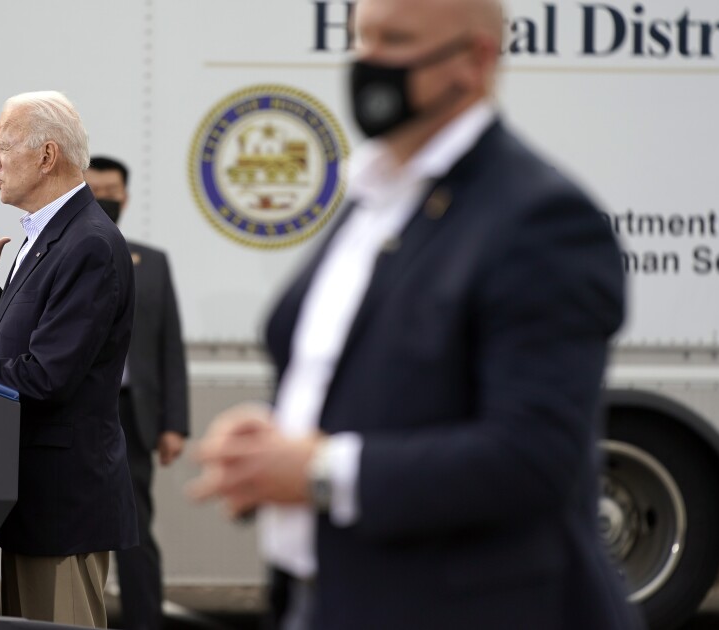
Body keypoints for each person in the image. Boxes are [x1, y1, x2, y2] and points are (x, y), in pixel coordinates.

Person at [190, 0, 644, 628]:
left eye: (395, 40)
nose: (367, 61)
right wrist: (278, 438)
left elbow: (534, 455)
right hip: (329, 597)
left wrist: (317, 471)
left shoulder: (539, 219)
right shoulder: (376, 197)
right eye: (360, 38)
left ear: (474, 61)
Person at [0, 91, 137, 628]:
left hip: (63, 505)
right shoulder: (51, 236)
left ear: (46, 156)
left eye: (3, 147)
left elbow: (46, 379)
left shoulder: (88, 244)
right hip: (33, 502)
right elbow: (27, 350)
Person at [85, 156, 189, 630]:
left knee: (135, 529)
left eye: (112, 190)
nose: (105, 198)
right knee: (81, 527)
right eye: (96, 189)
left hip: (134, 412)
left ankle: (145, 622)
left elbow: (170, 344)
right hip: (82, 407)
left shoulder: (154, 262)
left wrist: (174, 424)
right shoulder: (66, 254)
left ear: (124, 196)